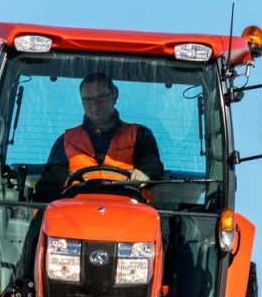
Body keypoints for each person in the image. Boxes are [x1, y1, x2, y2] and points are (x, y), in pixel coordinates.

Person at [32, 72, 164, 202]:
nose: (94, 105)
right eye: (87, 100)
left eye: (100, 98)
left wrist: (145, 174)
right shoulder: (66, 141)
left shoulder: (139, 135)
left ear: (114, 95)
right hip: (77, 212)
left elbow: (152, 167)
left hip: (128, 210)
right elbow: (49, 188)